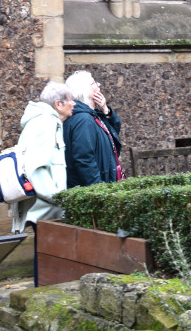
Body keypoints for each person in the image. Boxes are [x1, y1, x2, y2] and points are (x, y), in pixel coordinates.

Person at [12, 81, 73, 233]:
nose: (74, 104)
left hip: (46, 207)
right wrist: (58, 198)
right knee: (46, 254)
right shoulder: (46, 123)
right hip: (44, 208)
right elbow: (36, 168)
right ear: (58, 104)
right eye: (70, 100)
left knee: (46, 253)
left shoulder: (46, 121)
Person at [63, 70, 123, 188]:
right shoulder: (84, 119)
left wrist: (105, 110)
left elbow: (112, 136)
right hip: (94, 191)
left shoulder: (91, 115)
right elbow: (84, 159)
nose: (99, 84)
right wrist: (98, 190)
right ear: (85, 91)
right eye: (94, 83)